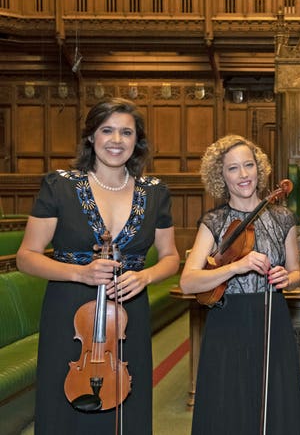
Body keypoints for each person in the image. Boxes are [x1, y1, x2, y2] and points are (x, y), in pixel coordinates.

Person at [16, 97, 180, 434]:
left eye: (126, 132)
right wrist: (80, 272)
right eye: (107, 130)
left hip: (127, 314)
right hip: (70, 314)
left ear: (138, 141)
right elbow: (26, 256)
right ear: (91, 136)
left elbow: (172, 258)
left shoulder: (155, 192)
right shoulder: (59, 186)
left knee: (126, 408)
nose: (116, 140)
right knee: (65, 406)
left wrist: (146, 276)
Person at [179, 135, 300, 435]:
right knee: (228, 404)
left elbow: (297, 271)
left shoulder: (282, 217)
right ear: (221, 176)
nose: (243, 175)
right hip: (228, 321)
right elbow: (188, 281)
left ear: (258, 168)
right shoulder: (214, 221)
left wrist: (287, 278)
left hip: (271, 317)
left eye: (248, 165)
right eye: (233, 168)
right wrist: (236, 266)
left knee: (274, 401)